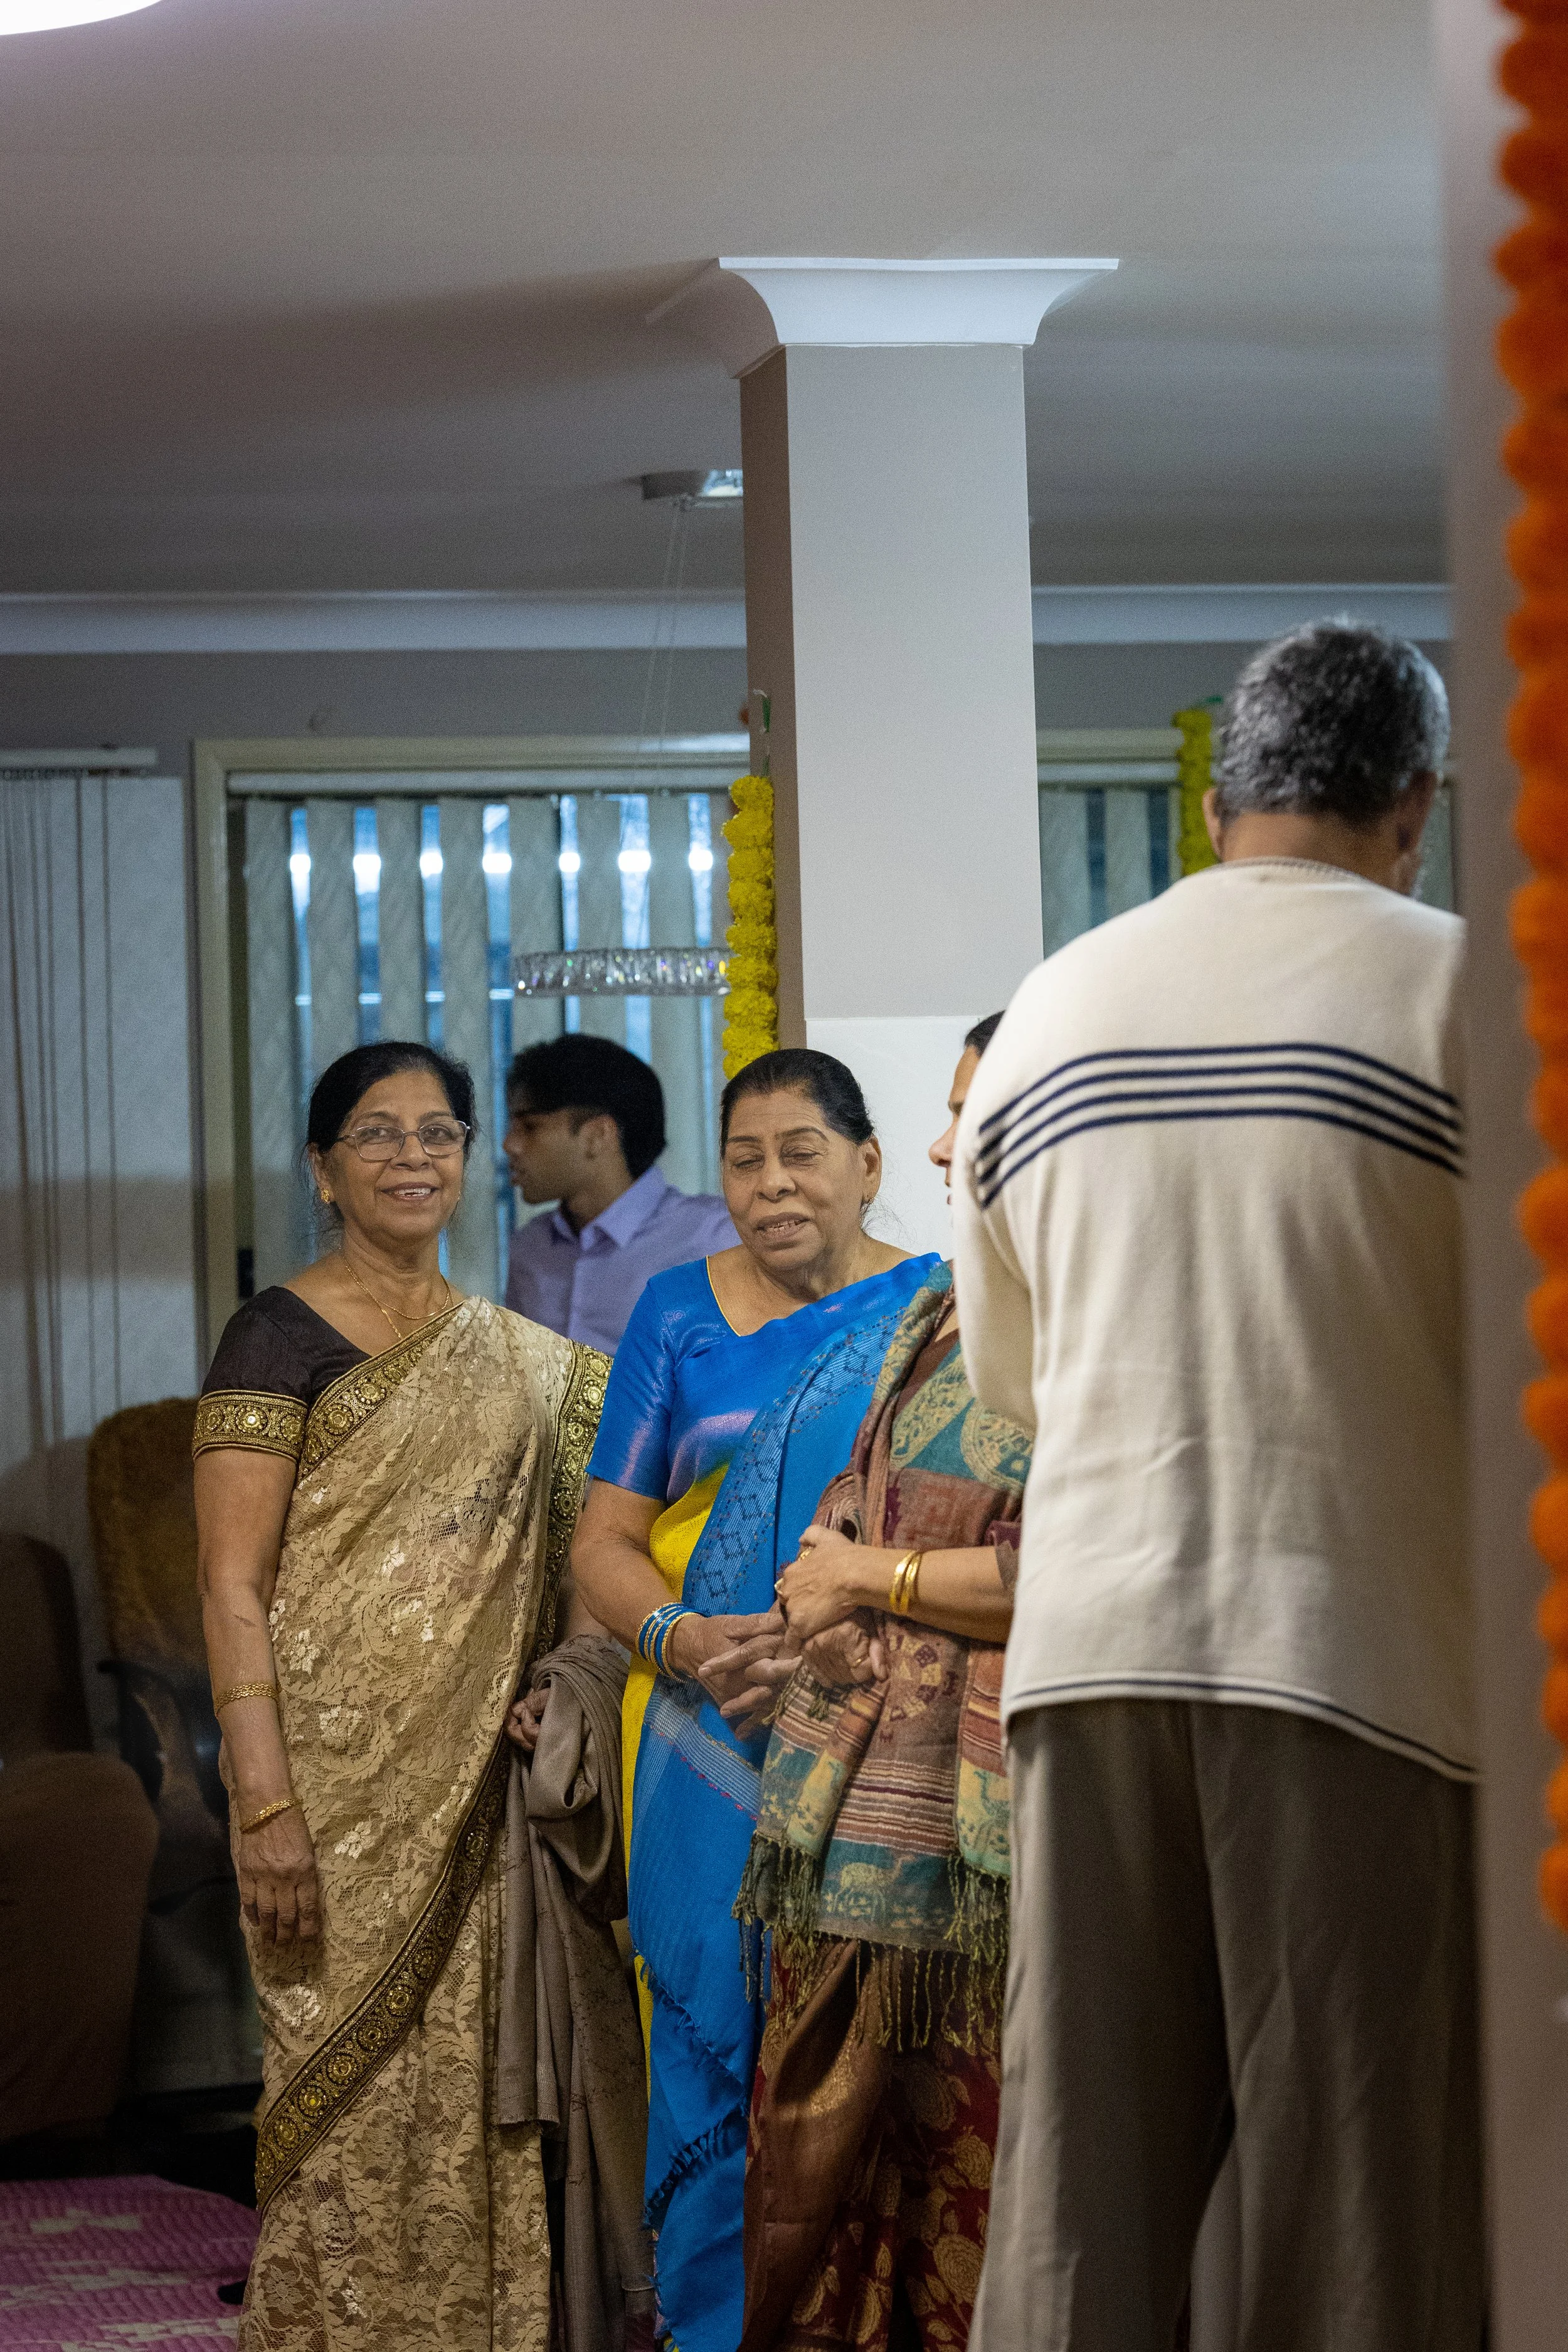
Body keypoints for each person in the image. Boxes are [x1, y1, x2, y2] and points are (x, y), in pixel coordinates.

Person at [955, 623, 1481, 2351]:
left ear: (1211, 795)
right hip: (1354, 1654)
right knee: (1352, 2188)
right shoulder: (1465, 991)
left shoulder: (1052, 1004)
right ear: (1414, 803)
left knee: (1078, 2187)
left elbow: (1008, 1386)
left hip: (1087, 1649)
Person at [194, 1039, 612, 2352]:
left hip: (476, 1792)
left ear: (472, 1158)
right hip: (322, 1790)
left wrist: (560, 1684)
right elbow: (229, 1586)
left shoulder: (524, 1362)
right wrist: (263, 1797)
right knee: (337, 2093)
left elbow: (579, 1554)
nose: (411, 1158)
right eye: (376, 1134)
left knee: (475, 2097)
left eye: (438, 1134)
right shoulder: (275, 1333)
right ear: (323, 1168)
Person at [571, 1049, 943, 2352]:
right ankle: (712, 2323)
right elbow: (600, 1543)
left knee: (860, 2035)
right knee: (705, 2034)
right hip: (700, 1730)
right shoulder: (674, 1314)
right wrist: (676, 1639)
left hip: (874, 1728)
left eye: (800, 1152)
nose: (771, 1184)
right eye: (743, 1158)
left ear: (867, 1166)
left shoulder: (934, 1315)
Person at [731, 1012, 1031, 2352]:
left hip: (995, 1851)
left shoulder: (1088, 1318)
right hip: (853, 1805)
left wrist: (872, 1584)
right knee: (833, 2190)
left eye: (972, 1114)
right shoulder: (934, 1310)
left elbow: (1059, 1567)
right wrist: (822, 1580)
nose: (936, 1142)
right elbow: (859, 1508)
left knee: (981, 2171)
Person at [504, 1034, 737, 1352]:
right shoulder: (530, 1247)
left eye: (529, 1127)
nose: (510, 1145)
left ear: (598, 1134)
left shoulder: (715, 1237)